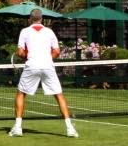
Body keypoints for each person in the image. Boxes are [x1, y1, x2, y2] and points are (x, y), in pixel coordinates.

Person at [9, 8, 78, 138]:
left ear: (30, 18)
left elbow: (20, 52)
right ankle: (70, 129)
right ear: (42, 19)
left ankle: (18, 127)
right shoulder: (49, 32)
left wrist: (28, 57)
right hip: (47, 65)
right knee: (59, 95)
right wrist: (45, 58)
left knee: (21, 94)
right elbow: (57, 52)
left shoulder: (24, 31)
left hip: (32, 65)